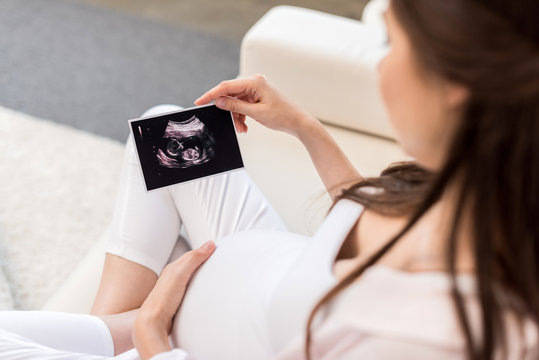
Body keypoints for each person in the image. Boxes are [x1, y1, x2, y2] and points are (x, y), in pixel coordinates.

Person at [1, 0, 538, 358]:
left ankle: (113, 335)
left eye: (391, 47)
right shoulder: (478, 187)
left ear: (454, 86)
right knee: (168, 129)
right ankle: (109, 326)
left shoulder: (418, 336)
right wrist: (303, 127)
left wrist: (154, 341)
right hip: (260, 257)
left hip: (189, 342)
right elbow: (366, 226)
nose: (379, 68)